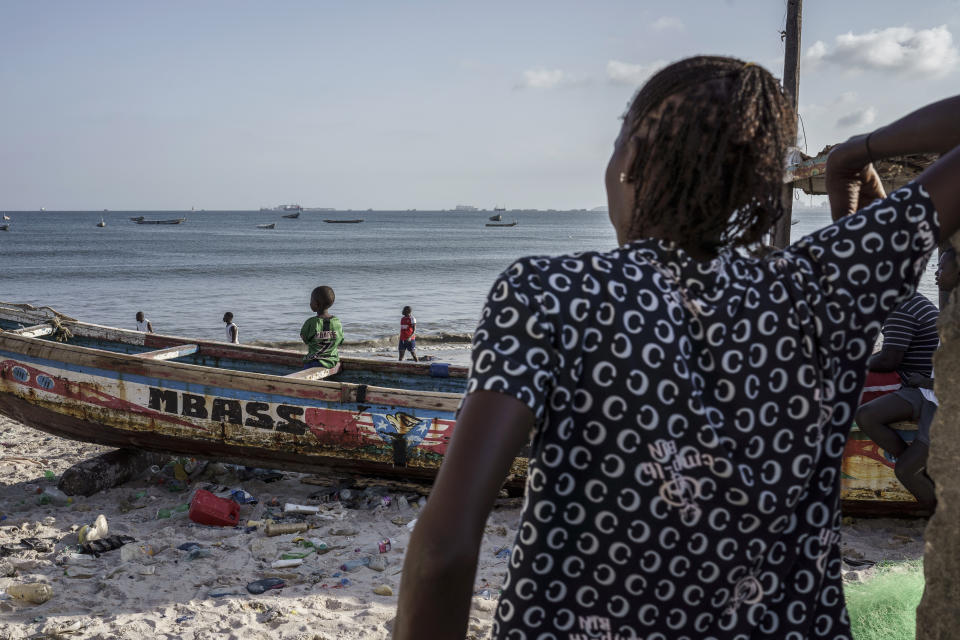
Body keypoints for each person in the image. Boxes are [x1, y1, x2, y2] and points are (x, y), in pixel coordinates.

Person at [394, 57, 960, 640]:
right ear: (763, 181)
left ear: (631, 158)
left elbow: (444, 549)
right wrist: (858, 152)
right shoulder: (822, 286)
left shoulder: (551, 293)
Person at [854, 247, 958, 508]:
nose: (936, 273)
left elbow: (890, 359)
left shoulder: (906, 305)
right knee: (866, 415)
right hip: (925, 388)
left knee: (906, 471)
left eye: (942, 268)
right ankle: (915, 461)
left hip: (936, 394)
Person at [300, 286, 343, 369]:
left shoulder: (311, 322)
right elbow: (340, 340)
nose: (310, 303)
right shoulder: (337, 322)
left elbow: (305, 338)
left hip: (313, 362)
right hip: (332, 362)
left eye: (311, 300)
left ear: (316, 304)